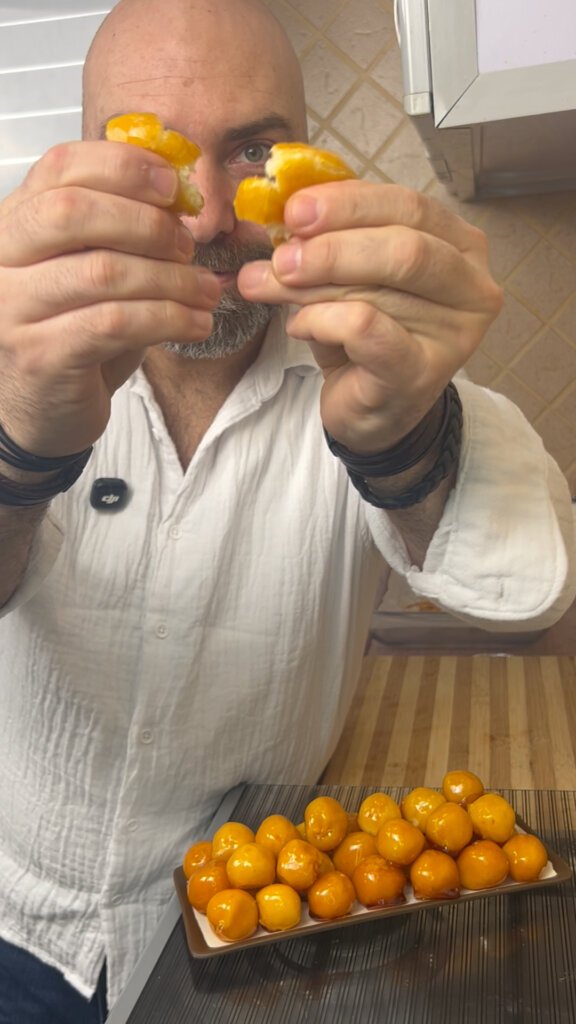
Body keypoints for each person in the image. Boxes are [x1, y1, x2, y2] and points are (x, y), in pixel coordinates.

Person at [0, 0, 573, 1019]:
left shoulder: (365, 370)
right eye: (158, 160)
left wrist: (405, 443)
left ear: (306, 166)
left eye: (254, 151)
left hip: (246, 936)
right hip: (13, 921)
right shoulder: (20, 360)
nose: (212, 217)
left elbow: (531, 591)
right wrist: (16, 451)